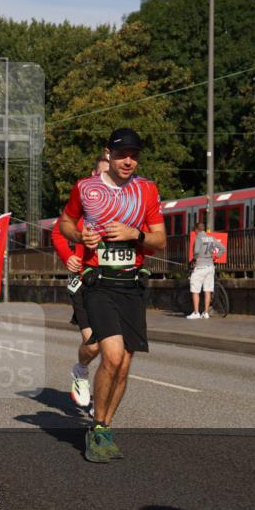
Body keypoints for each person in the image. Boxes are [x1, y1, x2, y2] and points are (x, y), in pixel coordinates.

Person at [58, 128, 166, 463]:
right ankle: (96, 428)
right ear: (109, 155)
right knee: (113, 355)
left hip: (131, 285)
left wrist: (136, 234)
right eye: (122, 155)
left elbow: (160, 240)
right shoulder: (86, 188)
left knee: (125, 365)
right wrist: (81, 234)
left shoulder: (146, 190)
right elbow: (64, 223)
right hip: (98, 283)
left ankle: (103, 425)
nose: (128, 161)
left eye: (134, 154)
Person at [51, 155, 111, 409]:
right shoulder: (86, 201)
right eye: (101, 174)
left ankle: (103, 412)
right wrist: (69, 257)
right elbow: (58, 231)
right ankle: (81, 369)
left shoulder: (128, 202)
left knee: (115, 351)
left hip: (116, 280)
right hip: (85, 281)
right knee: (94, 344)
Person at [186, 221, 226, 320]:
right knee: (207, 290)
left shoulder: (198, 237)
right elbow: (223, 248)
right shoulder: (211, 238)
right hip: (210, 267)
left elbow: (196, 251)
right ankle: (206, 313)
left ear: (196, 229)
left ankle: (196, 312)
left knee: (195, 290)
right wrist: (216, 256)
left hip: (200, 267)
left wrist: (194, 259)